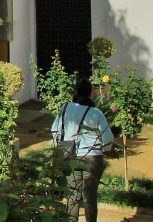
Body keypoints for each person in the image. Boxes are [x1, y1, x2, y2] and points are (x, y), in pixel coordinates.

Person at [51, 78, 113, 222]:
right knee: (90, 197)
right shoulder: (96, 113)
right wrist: (105, 149)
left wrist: (61, 144)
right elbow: (108, 137)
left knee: (72, 196)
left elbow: (55, 130)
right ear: (90, 93)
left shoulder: (65, 108)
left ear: (75, 91)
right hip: (92, 158)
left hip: (70, 156)